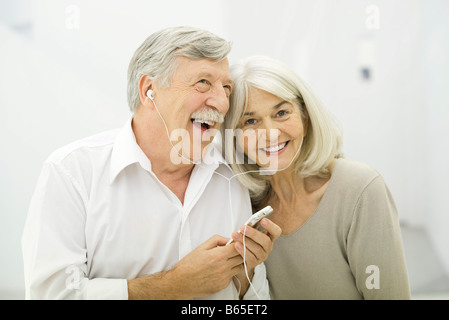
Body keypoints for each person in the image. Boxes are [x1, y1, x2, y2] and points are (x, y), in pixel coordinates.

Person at [21, 27, 281, 300]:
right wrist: (173, 285)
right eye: (203, 82)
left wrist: (245, 272)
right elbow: (51, 295)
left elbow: (255, 299)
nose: (221, 103)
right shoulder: (72, 173)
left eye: (226, 88)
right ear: (148, 91)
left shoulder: (233, 174)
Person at [221, 55, 411, 299]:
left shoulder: (360, 188)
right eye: (250, 121)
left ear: (305, 116)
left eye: (281, 113)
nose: (270, 134)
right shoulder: (240, 203)